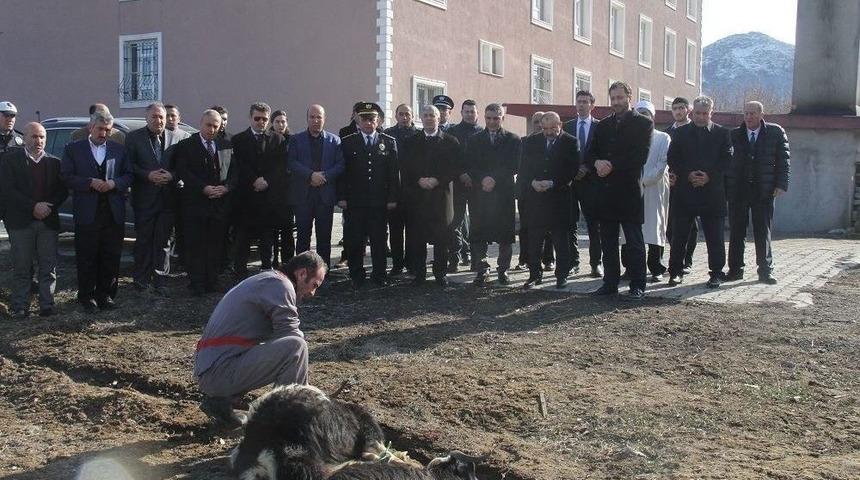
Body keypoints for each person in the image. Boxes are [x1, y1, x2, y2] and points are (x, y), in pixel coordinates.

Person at [193, 251, 326, 428]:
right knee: (296, 347)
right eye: (314, 285)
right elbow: (291, 333)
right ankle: (287, 423)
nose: (313, 293)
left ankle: (223, 403)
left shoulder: (269, 280)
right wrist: (307, 394)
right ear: (301, 274)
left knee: (288, 347)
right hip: (218, 372)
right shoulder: (280, 285)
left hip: (214, 368)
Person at [61, 110, 133, 313]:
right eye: (100, 129)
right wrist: (89, 182)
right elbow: (66, 176)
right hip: (87, 211)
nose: (104, 133)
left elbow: (129, 175)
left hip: (112, 212)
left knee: (110, 255)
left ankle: (106, 295)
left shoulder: (119, 150)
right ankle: (87, 296)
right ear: (90, 128)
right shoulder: (74, 149)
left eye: (108, 130)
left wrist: (114, 183)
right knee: (87, 256)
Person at [589, 81, 653, 300]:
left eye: (620, 98)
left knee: (634, 242)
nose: (616, 102)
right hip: (605, 193)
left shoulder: (643, 123)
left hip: (629, 192)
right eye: (613, 98)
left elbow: (639, 156)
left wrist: (611, 165)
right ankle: (610, 282)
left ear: (629, 97)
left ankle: (638, 284)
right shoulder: (603, 125)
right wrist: (597, 162)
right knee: (607, 241)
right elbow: (591, 152)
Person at [0, 122, 68, 318]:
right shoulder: (10, 161)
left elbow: (62, 190)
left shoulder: (55, 162)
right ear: (25, 139)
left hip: (47, 221)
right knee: (22, 267)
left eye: (42, 137)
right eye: (34, 137)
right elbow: (8, 190)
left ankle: (47, 305)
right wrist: (33, 206)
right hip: (21, 222)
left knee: (48, 266)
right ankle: (20, 306)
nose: (38, 141)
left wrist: (48, 206)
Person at [667, 95, 733, 288]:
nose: (701, 117)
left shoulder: (722, 133)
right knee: (679, 236)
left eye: (705, 113)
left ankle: (716, 273)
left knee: (715, 237)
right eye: (697, 113)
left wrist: (708, 176)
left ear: (711, 113)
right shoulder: (680, 133)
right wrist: (687, 175)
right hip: (685, 192)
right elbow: (672, 158)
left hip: (712, 193)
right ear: (691, 112)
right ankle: (675, 271)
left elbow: (727, 160)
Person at [174, 110, 239, 296]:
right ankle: (197, 282)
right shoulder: (187, 145)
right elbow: (183, 171)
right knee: (196, 244)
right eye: (208, 125)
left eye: (215, 126)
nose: (212, 129)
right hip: (196, 204)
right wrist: (203, 188)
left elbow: (235, 172)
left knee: (216, 244)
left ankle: (212, 280)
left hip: (219, 204)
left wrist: (226, 188)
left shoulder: (226, 145)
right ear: (201, 123)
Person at [727, 101, 790, 285]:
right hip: (739, 190)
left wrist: (781, 184)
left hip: (764, 190)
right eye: (746, 113)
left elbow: (784, 161)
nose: (748, 117)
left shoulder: (775, 132)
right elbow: (726, 164)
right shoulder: (734, 135)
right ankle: (735, 270)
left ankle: (765, 271)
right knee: (737, 231)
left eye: (752, 113)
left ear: (762, 114)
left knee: (763, 231)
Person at [337, 102, 399, 287]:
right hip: (355, 201)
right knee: (355, 239)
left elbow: (394, 174)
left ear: (378, 120)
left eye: (372, 119)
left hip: (379, 202)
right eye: (364, 118)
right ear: (358, 120)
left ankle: (379, 274)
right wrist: (342, 197)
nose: (368, 122)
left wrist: (393, 198)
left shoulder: (388, 141)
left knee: (379, 239)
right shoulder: (348, 142)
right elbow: (342, 173)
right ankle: (356, 274)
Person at [127, 102, 184, 295]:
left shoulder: (176, 138)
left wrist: (172, 176)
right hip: (144, 198)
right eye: (155, 117)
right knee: (143, 240)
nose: (159, 120)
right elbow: (129, 166)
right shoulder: (134, 138)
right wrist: (147, 175)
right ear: (146, 118)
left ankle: (161, 281)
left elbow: (183, 167)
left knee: (164, 242)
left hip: (168, 199)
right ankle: (141, 279)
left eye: (162, 117)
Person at [400, 105, 459, 287]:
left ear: (439, 118)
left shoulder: (450, 142)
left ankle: (440, 273)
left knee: (441, 239)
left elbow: (454, 168)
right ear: (420, 118)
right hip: (418, 199)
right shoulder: (411, 141)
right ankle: (419, 273)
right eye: (425, 115)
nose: (428, 118)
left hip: (441, 198)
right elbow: (404, 167)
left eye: (432, 115)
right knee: (418, 239)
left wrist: (437, 180)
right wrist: (419, 180)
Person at [519, 112, 579, 289]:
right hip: (536, 199)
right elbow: (523, 169)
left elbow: (572, 170)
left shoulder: (570, 142)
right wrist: (532, 183)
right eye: (545, 129)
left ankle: (561, 275)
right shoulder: (530, 142)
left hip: (559, 198)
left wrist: (553, 182)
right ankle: (534, 275)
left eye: (552, 128)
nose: (548, 132)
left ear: (560, 124)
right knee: (535, 239)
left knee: (561, 240)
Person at [465, 103, 520, 285]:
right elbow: (470, 164)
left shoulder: (513, 139)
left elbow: (514, 164)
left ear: (502, 118)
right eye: (488, 118)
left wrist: (494, 178)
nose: (492, 121)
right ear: (484, 118)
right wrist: (483, 179)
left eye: (496, 118)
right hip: (480, 194)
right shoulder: (474, 139)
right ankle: (482, 270)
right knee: (479, 232)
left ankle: (503, 270)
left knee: (505, 234)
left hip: (503, 192)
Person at [232, 102, 288, 276]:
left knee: (268, 236)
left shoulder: (278, 139)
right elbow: (239, 165)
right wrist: (254, 180)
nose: (260, 122)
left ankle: (266, 269)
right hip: (246, 197)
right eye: (257, 118)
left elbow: (280, 166)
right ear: (250, 118)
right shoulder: (238, 140)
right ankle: (240, 271)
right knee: (243, 236)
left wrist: (266, 181)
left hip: (268, 197)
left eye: (264, 119)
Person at [288, 104, 345, 268]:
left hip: (324, 196)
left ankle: (323, 271)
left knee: (324, 236)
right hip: (303, 196)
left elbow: (340, 165)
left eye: (319, 117)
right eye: (312, 117)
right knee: (303, 236)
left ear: (324, 119)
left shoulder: (334, 141)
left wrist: (324, 176)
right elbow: (291, 162)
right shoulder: (296, 140)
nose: (315, 120)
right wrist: (310, 175)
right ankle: (301, 271)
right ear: (307, 119)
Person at [562, 90, 602, 278]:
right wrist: (573, 170)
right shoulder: (567, 126)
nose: (581, 105)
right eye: (578, 101)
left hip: (593, 182)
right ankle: (573, 262)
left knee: (594, 225)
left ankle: (596, 263)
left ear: (592, 105)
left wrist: (586, 167)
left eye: (585, 102)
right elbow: (562, 154)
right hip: (571, 182)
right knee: (570, 223)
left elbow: (602, 152)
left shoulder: (600, 127)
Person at [631, 101, 671, 282]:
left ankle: (656, 267)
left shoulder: (663, 138)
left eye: (646, 113)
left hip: (654, 189)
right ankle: (630, 268)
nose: (644, 117)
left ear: (653, 117)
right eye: (640, 113)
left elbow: (662, 164)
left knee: (655, 229)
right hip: (631, 189)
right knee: (630, 231)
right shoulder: (629, 136)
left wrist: (644, 181)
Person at [383, 103, 419, 276]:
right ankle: (397, 264)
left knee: (413, 231)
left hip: (413, 191)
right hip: (394, 190)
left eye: (408, 114)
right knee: (396, 231)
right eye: (401, 114)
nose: (405, 117)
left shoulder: (419, 135)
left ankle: (412, 263)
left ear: (412, 116)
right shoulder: (388, 135)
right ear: (396, 116)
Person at [446, 99, 482, 272]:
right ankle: (454, 258)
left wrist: (472, 176)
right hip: (458, 184)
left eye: (472, 111)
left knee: (477, 223)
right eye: (466, 111)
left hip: (477, 186)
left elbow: (485, 160)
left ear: (477, 113)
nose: (469, 114)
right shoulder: (452, 132)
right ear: (461, 113)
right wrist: (461, 174)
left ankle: (476, 260)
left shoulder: (483, 133)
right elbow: (450, 158)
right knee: (454, 223)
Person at [516, 110, 554, 272]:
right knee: (525, 227)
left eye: (542, 121)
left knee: (548, 228)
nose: (539, 125)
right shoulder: (524, 142)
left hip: (547, 191)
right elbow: (520, 167)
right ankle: (524, 258)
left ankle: (548, 259)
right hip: (527, 191)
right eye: (536, 121)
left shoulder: (553, 142)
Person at [665, 97, 698, 274]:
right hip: (670, 184)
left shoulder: (695, 131)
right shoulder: (666, 133)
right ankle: (676, 255)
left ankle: (687, 260)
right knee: (670, 225)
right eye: (675, 108)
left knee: (691, 226)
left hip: (690, 184)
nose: (678, 111)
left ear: (688, 109)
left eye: (681, 108)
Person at [268, 109, 295, 268]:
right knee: (272, 230)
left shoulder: (292, 140)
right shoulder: (269, 140)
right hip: (272, 191)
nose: (280, 125)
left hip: (288, 191)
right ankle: (272, 260)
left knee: (287, 229)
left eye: (283, 122)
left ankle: (288, 261)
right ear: (272, 123)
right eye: (277, 122)